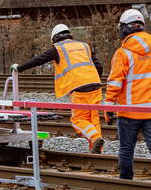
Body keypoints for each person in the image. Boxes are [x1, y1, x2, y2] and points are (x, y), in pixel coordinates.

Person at [10, 24, 106, 153]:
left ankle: (95, 139)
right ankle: (96, 150)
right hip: (95, 85)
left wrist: (19, 67)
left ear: (54, 38)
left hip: (79, 87)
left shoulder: (57, 48)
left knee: (78, 120)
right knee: (93, 118)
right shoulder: (84, 45)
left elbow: (38, 60)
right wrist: (94, 80)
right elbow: (99, 66)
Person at [102, 9, 151, 184]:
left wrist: (109, 105)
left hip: (129, 112)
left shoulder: (123, 53)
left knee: (126, 149)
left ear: (124, 29)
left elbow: (115, 83)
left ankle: (126, 183)